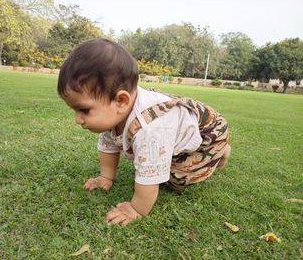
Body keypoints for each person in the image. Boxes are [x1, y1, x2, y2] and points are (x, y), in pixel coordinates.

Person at [57, 38, 231, 226]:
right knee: (154, 158)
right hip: (176, 124)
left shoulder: (150, 129)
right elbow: (108, 144)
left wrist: (136, 209)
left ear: (121, 101)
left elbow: (151, 175)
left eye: (84, 110)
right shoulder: (113, 113)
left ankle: (221, 151)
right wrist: (106, 177)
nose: (77, 119)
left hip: (208, 133)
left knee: (177, 179)